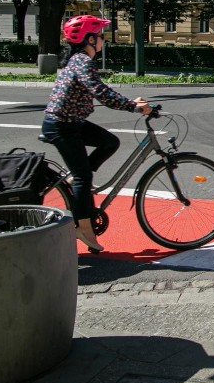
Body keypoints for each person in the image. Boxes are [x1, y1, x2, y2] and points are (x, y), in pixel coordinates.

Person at [41, 15, 152, 251]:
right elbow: (100, 92)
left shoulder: (78, 60)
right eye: (100, 36)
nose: (103, 40)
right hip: (62, 126)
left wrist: (130, 102)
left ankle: (76, 179)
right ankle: (83, 228)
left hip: (71, 122)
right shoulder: (82, 62)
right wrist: (133, 106)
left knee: (109, 142)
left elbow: (101, 90)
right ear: (90, 39)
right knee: (83, 177)